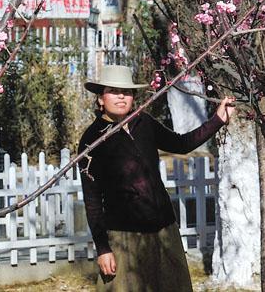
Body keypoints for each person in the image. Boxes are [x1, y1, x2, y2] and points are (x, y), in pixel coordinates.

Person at [78, 65, 235, 292]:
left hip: (164, 231)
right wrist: (103, 248)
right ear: (101, 99)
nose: (122, 96)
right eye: (113, 91)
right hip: (125, 238)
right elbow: (92, 201)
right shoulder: (92, 140)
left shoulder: (144, 123)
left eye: (127, 92)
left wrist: (218, 119)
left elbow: (182, 144)